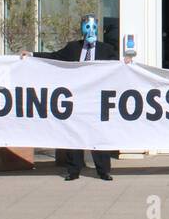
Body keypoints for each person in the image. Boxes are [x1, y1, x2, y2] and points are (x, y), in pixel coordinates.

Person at [35, 15, 119, 182]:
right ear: (82, 28)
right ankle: (74, 170)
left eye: (93, 27)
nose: (91, 31)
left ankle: (103, 171)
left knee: (98, 135)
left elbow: (117, 66)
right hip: (76, 99)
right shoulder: (73, 48)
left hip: (96, 100)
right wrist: (31, 54)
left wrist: (127, 62)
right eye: (87, 27)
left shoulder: (106, 49)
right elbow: (54, 57)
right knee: (74, 133)